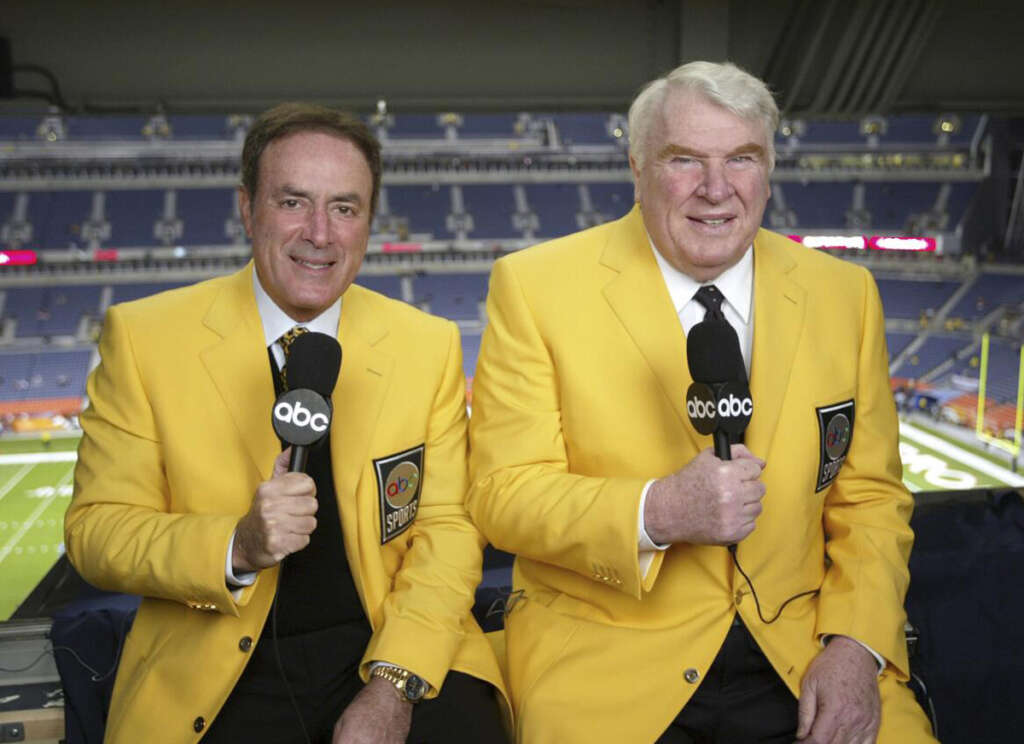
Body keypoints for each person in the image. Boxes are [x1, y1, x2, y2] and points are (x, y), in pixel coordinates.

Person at [467, 62, 935, 743]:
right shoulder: (534, 287)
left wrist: (856, 647)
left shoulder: (846, 294)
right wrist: (657, 509)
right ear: (638, 168)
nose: (717, 191)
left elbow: (871, 501)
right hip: (608, 656)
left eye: (741, 159)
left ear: (769, 170)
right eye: (684, 160)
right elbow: (501, 494)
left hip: (807, 648)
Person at [65, 102, 508, 744]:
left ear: (368, 223)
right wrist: (237, 545)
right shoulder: (143, 338)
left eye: (345, 208)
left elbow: (447, 529)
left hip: (393, 642)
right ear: (248, 208)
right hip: (216, 661)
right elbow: (96, 531)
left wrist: (392, 685)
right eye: (293, 202)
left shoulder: (426, 344)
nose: (320, 234)